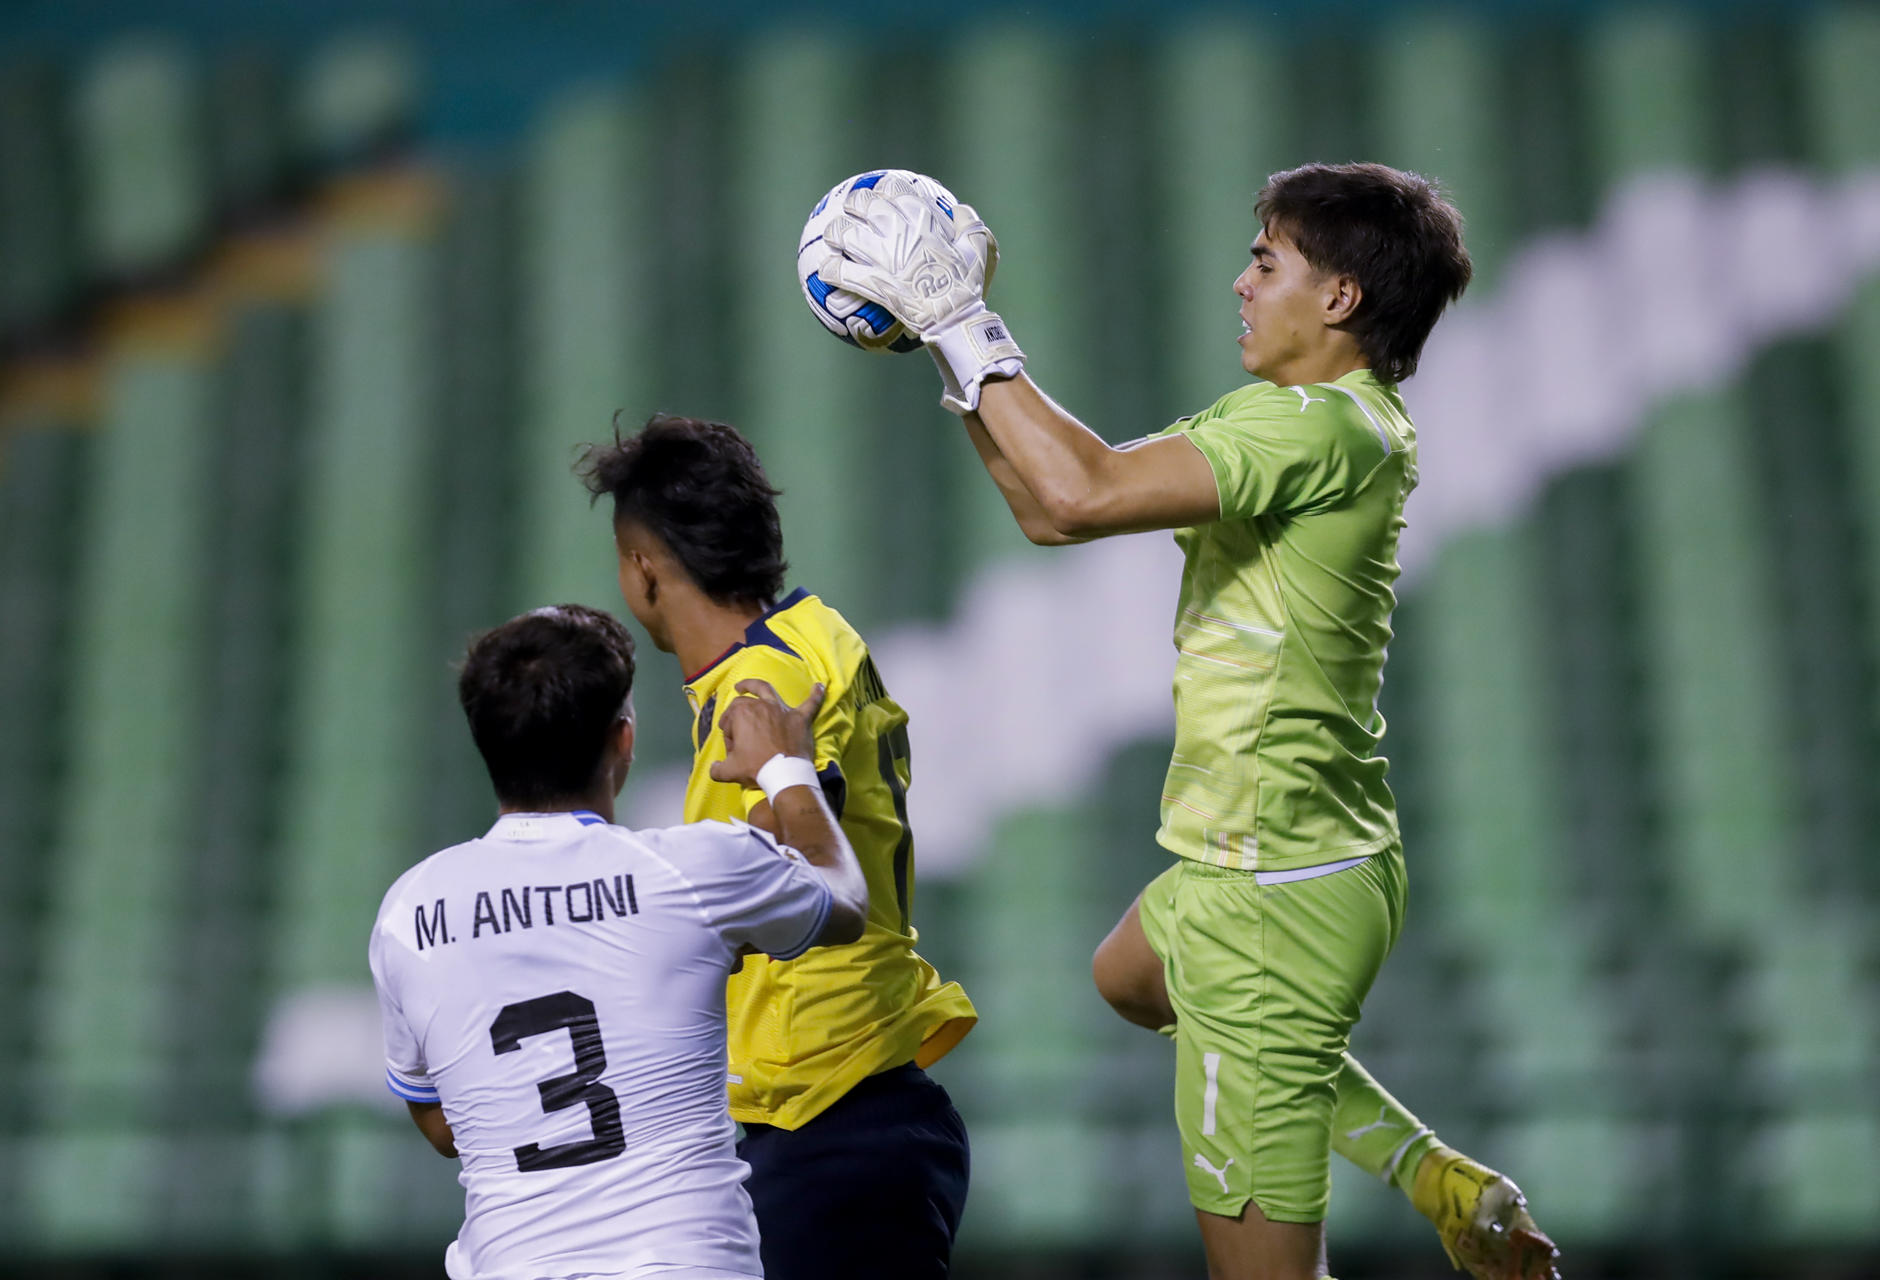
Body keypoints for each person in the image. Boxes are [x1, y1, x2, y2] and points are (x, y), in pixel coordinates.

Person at [819, 163, 1559, 1280]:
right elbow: (1049, 510)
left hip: (1268, 895)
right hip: (1282, 857)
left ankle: (1425, 1176)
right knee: (1133, 975)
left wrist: (968, 320)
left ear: (1341, 299)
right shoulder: (1298, 417)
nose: (1239, 283)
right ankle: (1439, 1177)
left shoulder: (1318, 432)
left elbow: (1082, 491)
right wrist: (944, 341)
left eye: (1267, 262)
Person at [577, 416, 978, 1280]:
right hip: (870, 1103)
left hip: (818, 1117)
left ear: (643, 569)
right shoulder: (817, 633)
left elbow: (802, 850)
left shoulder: (754, 702)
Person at [367, 603, 869, 1280]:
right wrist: (786, 770)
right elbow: (842, 898)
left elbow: (443, 1128)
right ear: (622, 739)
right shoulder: (693, 870)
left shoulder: (409, 911)